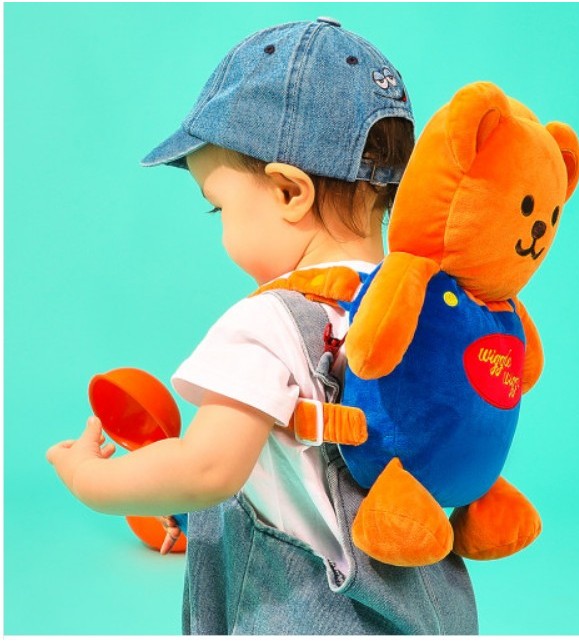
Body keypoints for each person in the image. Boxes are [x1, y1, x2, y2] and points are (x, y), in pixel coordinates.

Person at [46, 18, 478, 635]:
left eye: (218, 206)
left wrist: (91, 479)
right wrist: (192, 520)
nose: (220, 226)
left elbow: (205, 469)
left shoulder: (267, 321)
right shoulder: (425, 310)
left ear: (289, 192)